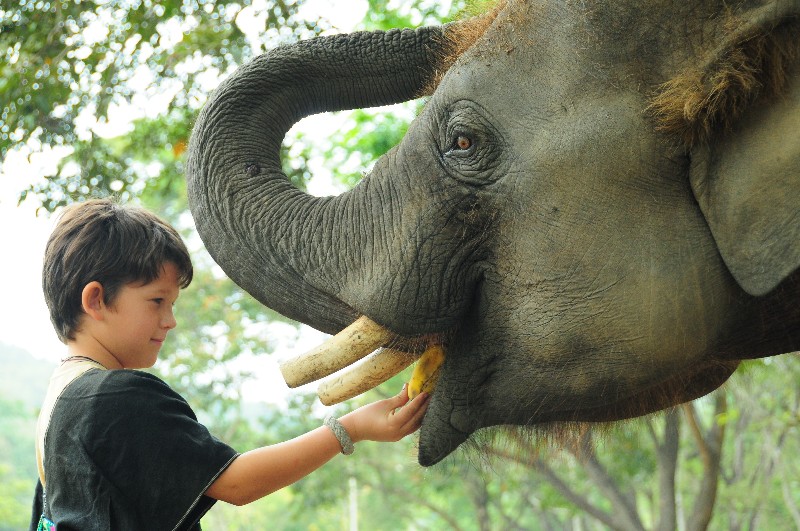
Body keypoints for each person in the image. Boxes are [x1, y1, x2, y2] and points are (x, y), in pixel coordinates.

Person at [31, 198, 429, 530]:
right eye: (156, 301)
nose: (170, 321)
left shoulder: (57, 404)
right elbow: (236, 483)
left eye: (172, 304)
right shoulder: (115, 396)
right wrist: (350, 428)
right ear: (96, 300)